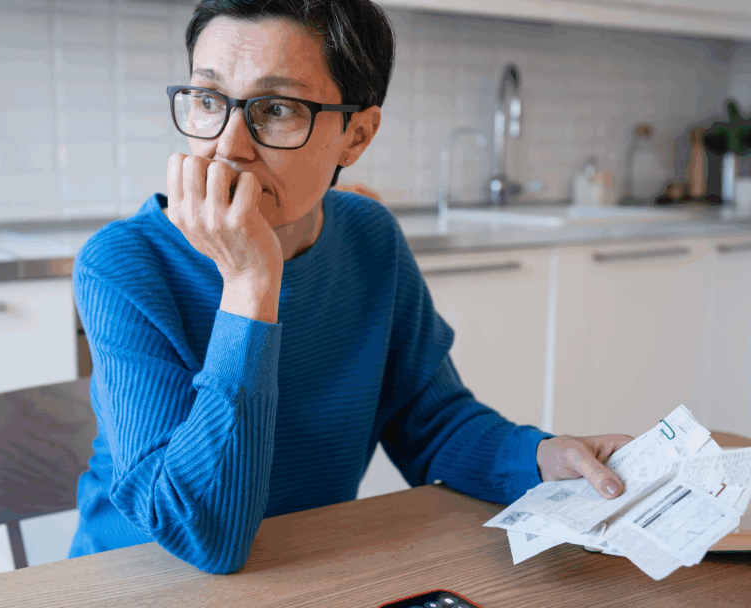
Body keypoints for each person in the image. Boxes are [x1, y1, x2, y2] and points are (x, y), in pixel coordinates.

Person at [67, 0, 631, 574]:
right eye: (209, 100)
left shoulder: (369, 237)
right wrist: (250, 283)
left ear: (356, 136)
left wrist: (541, 457)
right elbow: (203, 533)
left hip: (306, 568)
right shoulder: (122, 265)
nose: (228, 146)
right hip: (135, 582)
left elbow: (431, 424)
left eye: (276, 109)